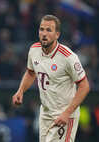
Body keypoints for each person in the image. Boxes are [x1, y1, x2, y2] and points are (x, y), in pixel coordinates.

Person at [12, 14, 90, 142]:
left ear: (57, 34)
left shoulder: (68, 57)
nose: (44, 33)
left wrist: (67, 113)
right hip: (45, 113)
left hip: (64, 113)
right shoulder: (34, 50)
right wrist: (20, 90)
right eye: (42, 29)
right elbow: (31, 73)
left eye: (49, 30)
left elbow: (84, 86)